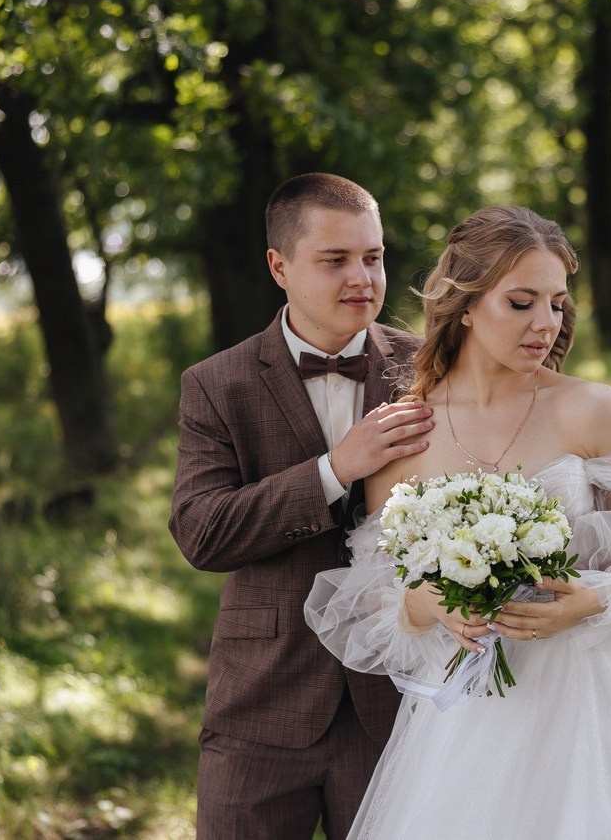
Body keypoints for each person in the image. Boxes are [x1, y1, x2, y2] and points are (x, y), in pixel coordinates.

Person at [305, 205, 611, 839]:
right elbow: (378, 591)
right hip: (468, 713)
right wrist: (428, 601)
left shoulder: (589, 408)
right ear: (465, 304)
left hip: (586, 698)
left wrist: (595, 599)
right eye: (521, 302)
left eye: (556, 303)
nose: (545, 323)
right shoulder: (405, 431)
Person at [169, 173, 435, 838]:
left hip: (398, 698)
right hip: (261, 699)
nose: (362, 278)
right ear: (279, 267)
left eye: (372, 257)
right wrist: (335, 469)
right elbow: (203, 533)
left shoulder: (430, 370)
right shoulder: (215, 384)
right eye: (335, 260)